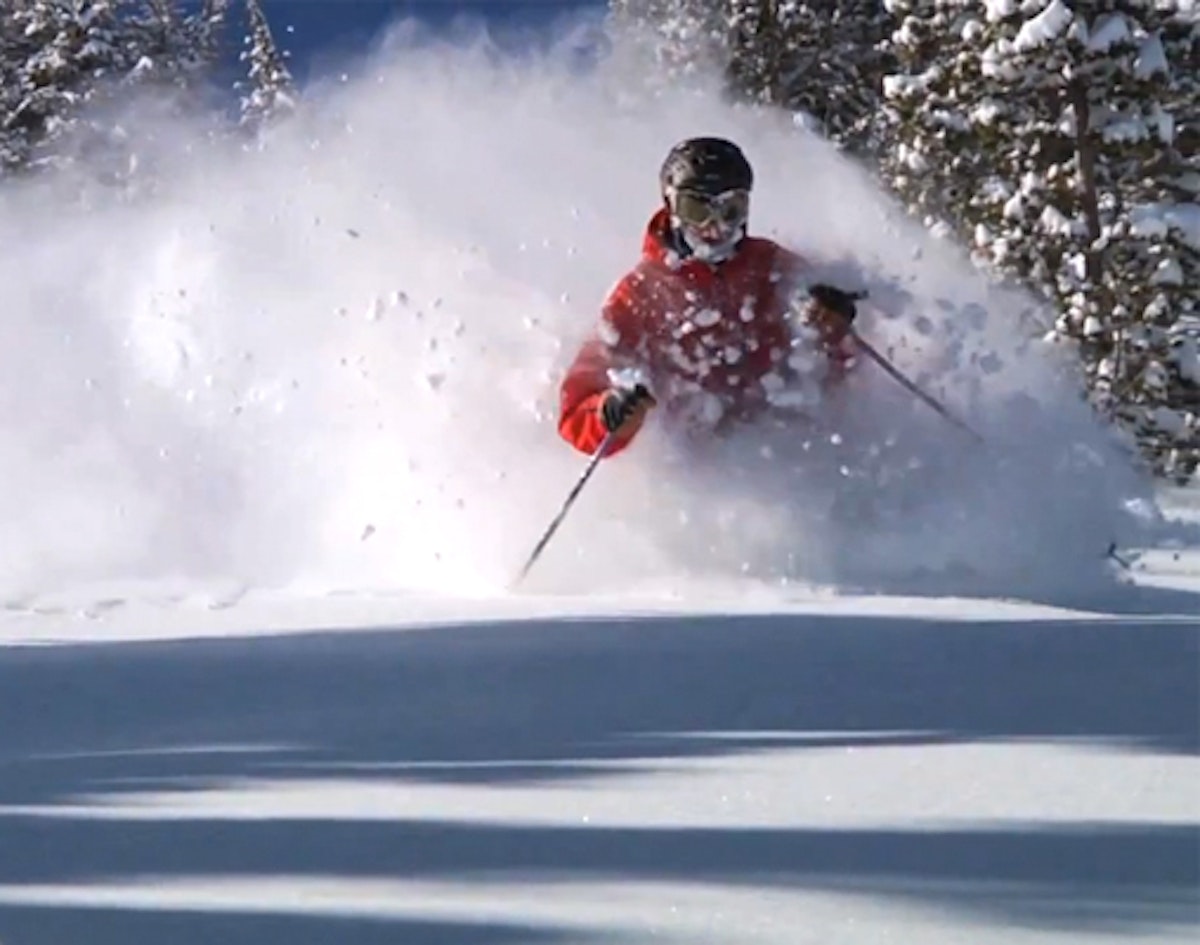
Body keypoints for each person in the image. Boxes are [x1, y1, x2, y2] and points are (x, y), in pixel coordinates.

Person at [558, 136, 862, 458]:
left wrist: (833, 326)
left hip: (791, 450)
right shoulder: (641, 295)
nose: (714, 226)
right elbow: (576, 412)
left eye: (731, 209)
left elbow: (845, 367)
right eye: (696, 209)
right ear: (670, 205)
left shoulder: (777, 270)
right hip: (701, 469)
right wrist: (609, 413)